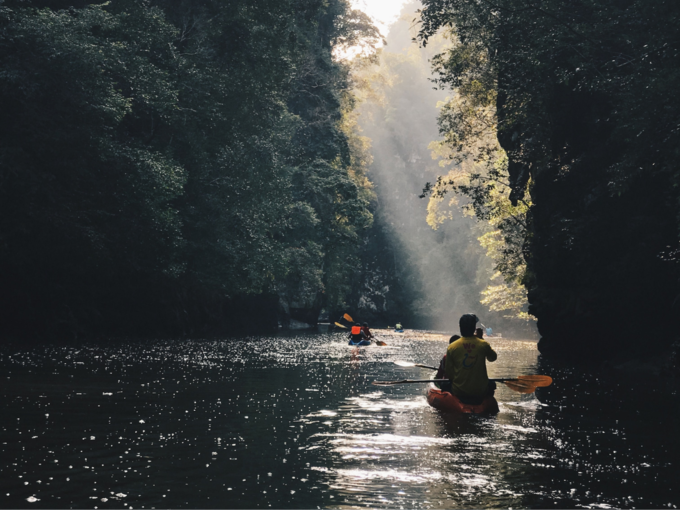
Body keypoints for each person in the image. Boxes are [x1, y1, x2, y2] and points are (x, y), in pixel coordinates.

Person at [444, 314, 498, 403]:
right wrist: (481, 339)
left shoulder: (452, 347)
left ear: (460, 327)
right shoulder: (483, 344)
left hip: (459, 391)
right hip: (480, 391)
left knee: (444, 384)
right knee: (492, 384)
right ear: (474, 328)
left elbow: (449, 373)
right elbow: (493, 358)